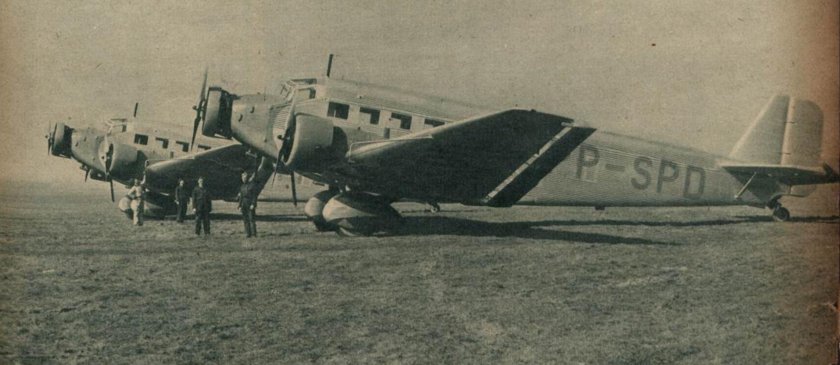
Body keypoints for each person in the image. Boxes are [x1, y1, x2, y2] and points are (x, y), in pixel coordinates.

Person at [236, 172, 258, 237]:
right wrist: (239, 206)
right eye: (242, 178)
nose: (243, 179)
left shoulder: (252, 186)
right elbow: (241, 197)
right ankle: (248, 233)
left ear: (247, 178)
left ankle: (254, 234)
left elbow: (254, 196)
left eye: (245, 177)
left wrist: (253, 204)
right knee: (245, 219)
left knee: (251, 219)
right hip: (243, 204)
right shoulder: (242, 187)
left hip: (249, 203)